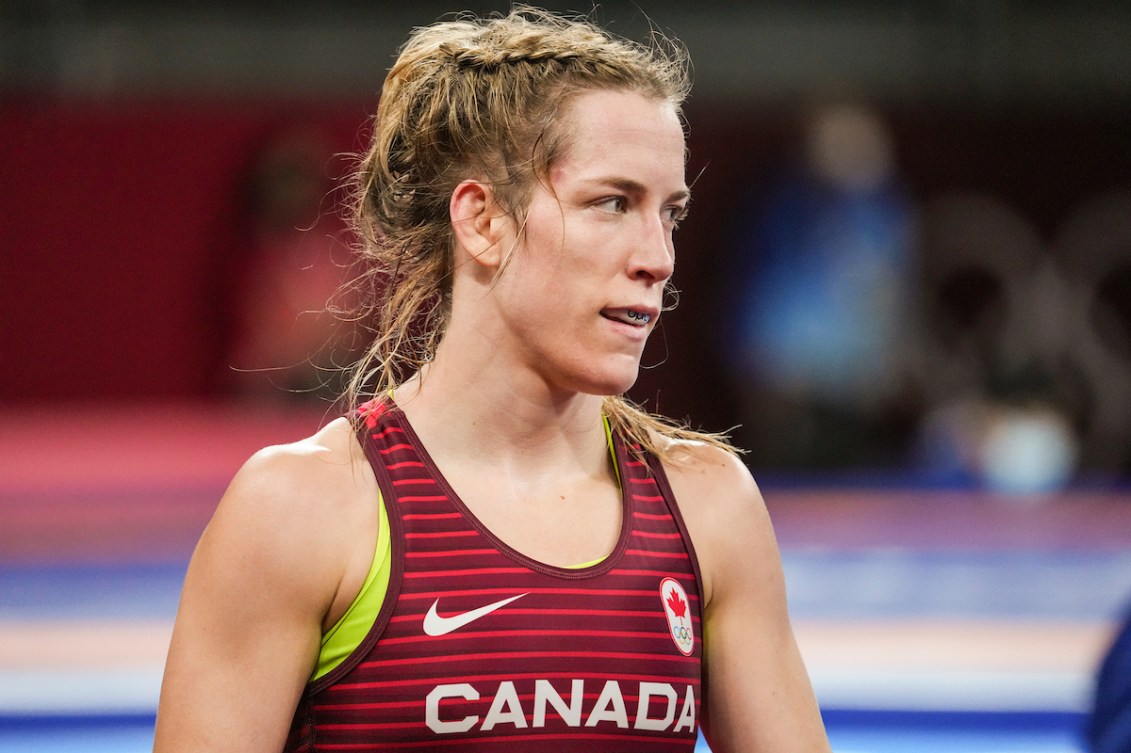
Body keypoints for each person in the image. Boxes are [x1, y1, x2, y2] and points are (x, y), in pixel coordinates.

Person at [153, 7, 830, 752]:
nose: (658, 257)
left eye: (669, 212)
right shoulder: (302, 511)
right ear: (481, 221)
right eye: (613, 203)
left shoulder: (709, 507)